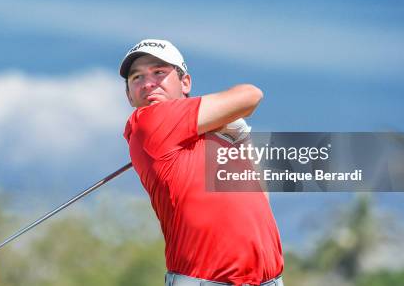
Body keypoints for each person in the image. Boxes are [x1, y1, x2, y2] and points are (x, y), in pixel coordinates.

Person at [120, 39, 284, 286]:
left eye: (159, 72)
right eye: (137, 78)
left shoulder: (213, 135)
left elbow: (260, 196)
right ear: (130, 96)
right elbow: (251, 95)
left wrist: (242, 141)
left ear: (185, 82)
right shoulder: (149, 119)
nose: (148, 83)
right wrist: (228, 121)